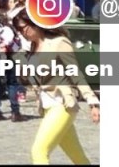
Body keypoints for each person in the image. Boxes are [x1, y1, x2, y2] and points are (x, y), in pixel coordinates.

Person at [12, 9, 100, 165]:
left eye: (24, 28)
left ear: (35, 24)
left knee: (39, 151)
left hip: (62, 104)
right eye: (18, 30)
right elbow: (30, 81)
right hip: (46, 105)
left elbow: (76, 74)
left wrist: (93, 102)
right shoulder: (30, 49)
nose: (22, 33)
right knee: (78, 157)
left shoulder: (59, 42)